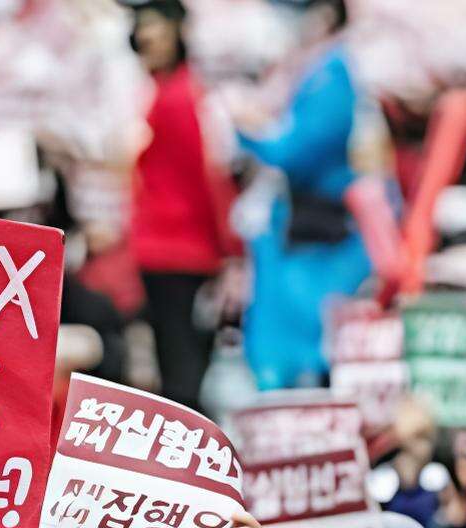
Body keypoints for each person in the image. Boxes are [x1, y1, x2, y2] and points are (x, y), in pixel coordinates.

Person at [232, 0, 370, 388]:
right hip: (301, 226)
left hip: (316, 234)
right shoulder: (314, 69)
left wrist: (249, 130)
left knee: (303, 346)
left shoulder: (333, 73)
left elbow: (297, 151)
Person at [124, 0, 236, 411]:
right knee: (177, 364)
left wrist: (228, 249)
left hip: (179, 249)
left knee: (181, 371)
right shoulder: (168, 93)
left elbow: (206, 178)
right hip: (169, 247)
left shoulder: (179, 98)